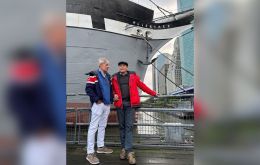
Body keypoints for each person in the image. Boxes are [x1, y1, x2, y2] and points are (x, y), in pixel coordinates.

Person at [112, 61, 158, 165]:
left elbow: (142, 86)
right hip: (120, 105)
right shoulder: (114, 77)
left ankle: (128, 150)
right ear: (119, 67)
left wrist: (153, 93)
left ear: (127, 67)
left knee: (129, 127)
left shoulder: (133, 75)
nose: (122, 67)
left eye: (124, 66)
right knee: (122, 127)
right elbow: (112, 89)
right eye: (120, 66)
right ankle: (123, 148)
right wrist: (113, 94)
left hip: (130, 105)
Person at [85, 58, 114, 165]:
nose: (108, 66)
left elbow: (110, 90)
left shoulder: (108, 76)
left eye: (108, 65)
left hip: (106, 105)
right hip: (98, 104)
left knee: (102, 126)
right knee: (93, 127)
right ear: (101, 64)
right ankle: (90, 153)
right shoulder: (93, 75)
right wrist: (96, 99)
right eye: (107, 64)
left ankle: (100, 147)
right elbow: (88, 89)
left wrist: (111, 99)